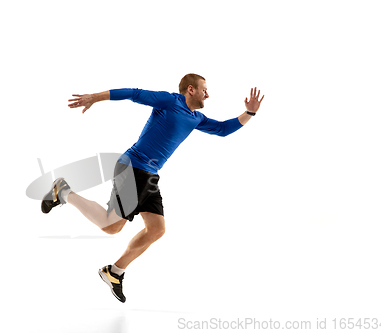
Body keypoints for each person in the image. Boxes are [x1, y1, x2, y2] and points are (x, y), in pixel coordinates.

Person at [41, 74, 265, 303]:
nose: (208, 94)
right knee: (111, 226)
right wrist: (95, 97)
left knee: (156, 229)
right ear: (191, 89)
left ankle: (115, 272)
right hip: (133, 167)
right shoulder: (170, 101)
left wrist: (250, 113)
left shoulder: (196, 118)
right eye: (204, 89)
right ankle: (63, 191)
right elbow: (134, 93)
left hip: (149, 175)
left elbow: (222, 129)